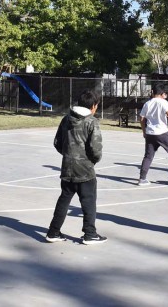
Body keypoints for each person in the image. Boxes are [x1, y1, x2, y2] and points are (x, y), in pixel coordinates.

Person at [46, 90, 107, 245]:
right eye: (96, 106)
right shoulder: (91, 122)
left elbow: (57, 143)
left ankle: (53, 232)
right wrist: (92, 160)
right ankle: (90, 233)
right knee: (88, 200)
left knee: (64, 199)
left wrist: (68, 155)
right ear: (93, 106)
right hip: (85, 169)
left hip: (67, 167)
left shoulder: (66, 119)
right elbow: (96, 148)